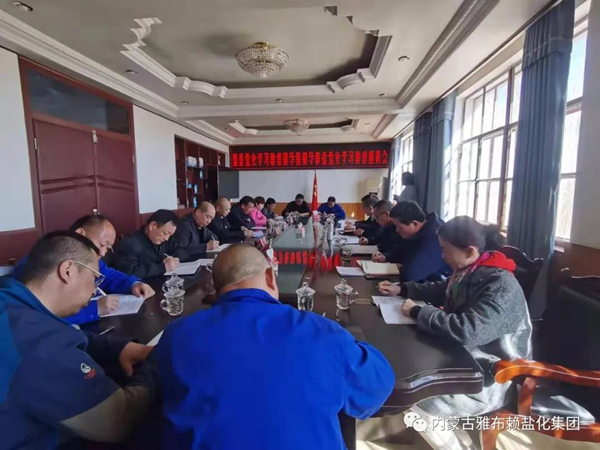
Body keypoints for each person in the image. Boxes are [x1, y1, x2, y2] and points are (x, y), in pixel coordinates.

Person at [154, 244, 395, 449]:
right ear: (270, 276)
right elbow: (378, 388)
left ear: (215, 290)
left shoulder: (177, 335)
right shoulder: (323, 333)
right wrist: (350, 343)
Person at [379, 217, 531, 447]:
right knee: (408, 374)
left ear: (470, 251)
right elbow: (442, 290)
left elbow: (469, 330)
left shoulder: (500, 285)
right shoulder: (473, 268)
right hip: (460, 360)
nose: (442, 256)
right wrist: (402, 289)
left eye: (445, 250)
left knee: (417, 401)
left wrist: (419, 312)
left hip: (490, 376)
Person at [0, 232, 156, 448]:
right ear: (68, 271)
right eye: (94, 278)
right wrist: (158, 362)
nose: (95, 290)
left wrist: (119, 347)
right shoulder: (38, 345)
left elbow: (64, 334)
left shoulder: (10, 299)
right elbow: (120, 418)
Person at [11, 215, 155, 325]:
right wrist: (94, 309)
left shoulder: (88, 259)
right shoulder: (42, 262)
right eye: (102, 245)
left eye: (108, 247)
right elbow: (38, 314)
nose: (103, 252)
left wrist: (134, 284)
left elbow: (109, 276)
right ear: (80, 234)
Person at [376, 201, 451, 283]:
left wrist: (401, 267)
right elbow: (401, 251)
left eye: (399, 227)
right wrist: (386, 257)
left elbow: (412, 274)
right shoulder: (417, 231)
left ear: (414, 224)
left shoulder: (434, 236)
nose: (397, 230)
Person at [111, 209, 182, 278]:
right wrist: (162, 267)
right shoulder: (130, 244)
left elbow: (178, 248)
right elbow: (128, 273)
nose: (166, 238)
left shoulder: (159, 240)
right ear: (153, 226)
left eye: (170, 235)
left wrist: (172, 259)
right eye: (165, 233)